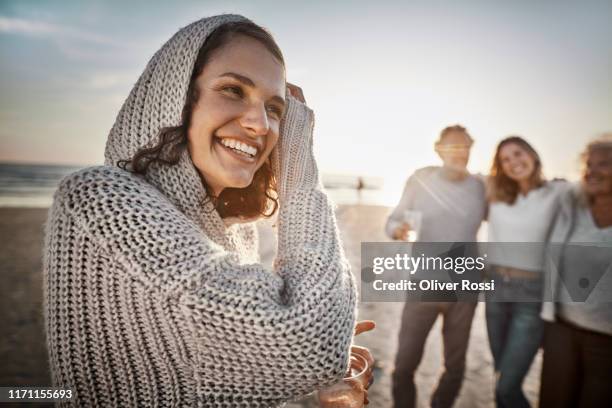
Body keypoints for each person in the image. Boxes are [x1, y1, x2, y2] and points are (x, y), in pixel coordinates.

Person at [43, 15, 373, 407]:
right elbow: (309, 342)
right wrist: (299, 173)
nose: (260, 124)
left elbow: (205, 376)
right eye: (233, 89)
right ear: (174, 98)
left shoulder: (234, 230)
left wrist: (303, 385)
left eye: (276, 109)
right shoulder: (97, 200)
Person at [386, 125, 486, 408]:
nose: (461, 152)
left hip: (464, 292)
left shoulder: (480, 186)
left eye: (466, 146)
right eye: (454, 145)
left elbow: (507, 219)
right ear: (439, 149)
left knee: (455, 367)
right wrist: (398, 230)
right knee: (404, 364)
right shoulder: (420, 179)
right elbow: (391, 221)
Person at [485, 136, 569, 408]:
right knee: (501, 375)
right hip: (495, 291)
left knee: (507, 387)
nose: (513, 163)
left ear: (532, 154)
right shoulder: (496, 193)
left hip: (530, 297)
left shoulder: (558, 192)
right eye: (505, 160)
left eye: (518, 154)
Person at [539, 135, 612, 407]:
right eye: (589, 164)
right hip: (562, 331)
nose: (592, 171)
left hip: (606, 342)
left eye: (604, 164)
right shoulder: (572, 204)